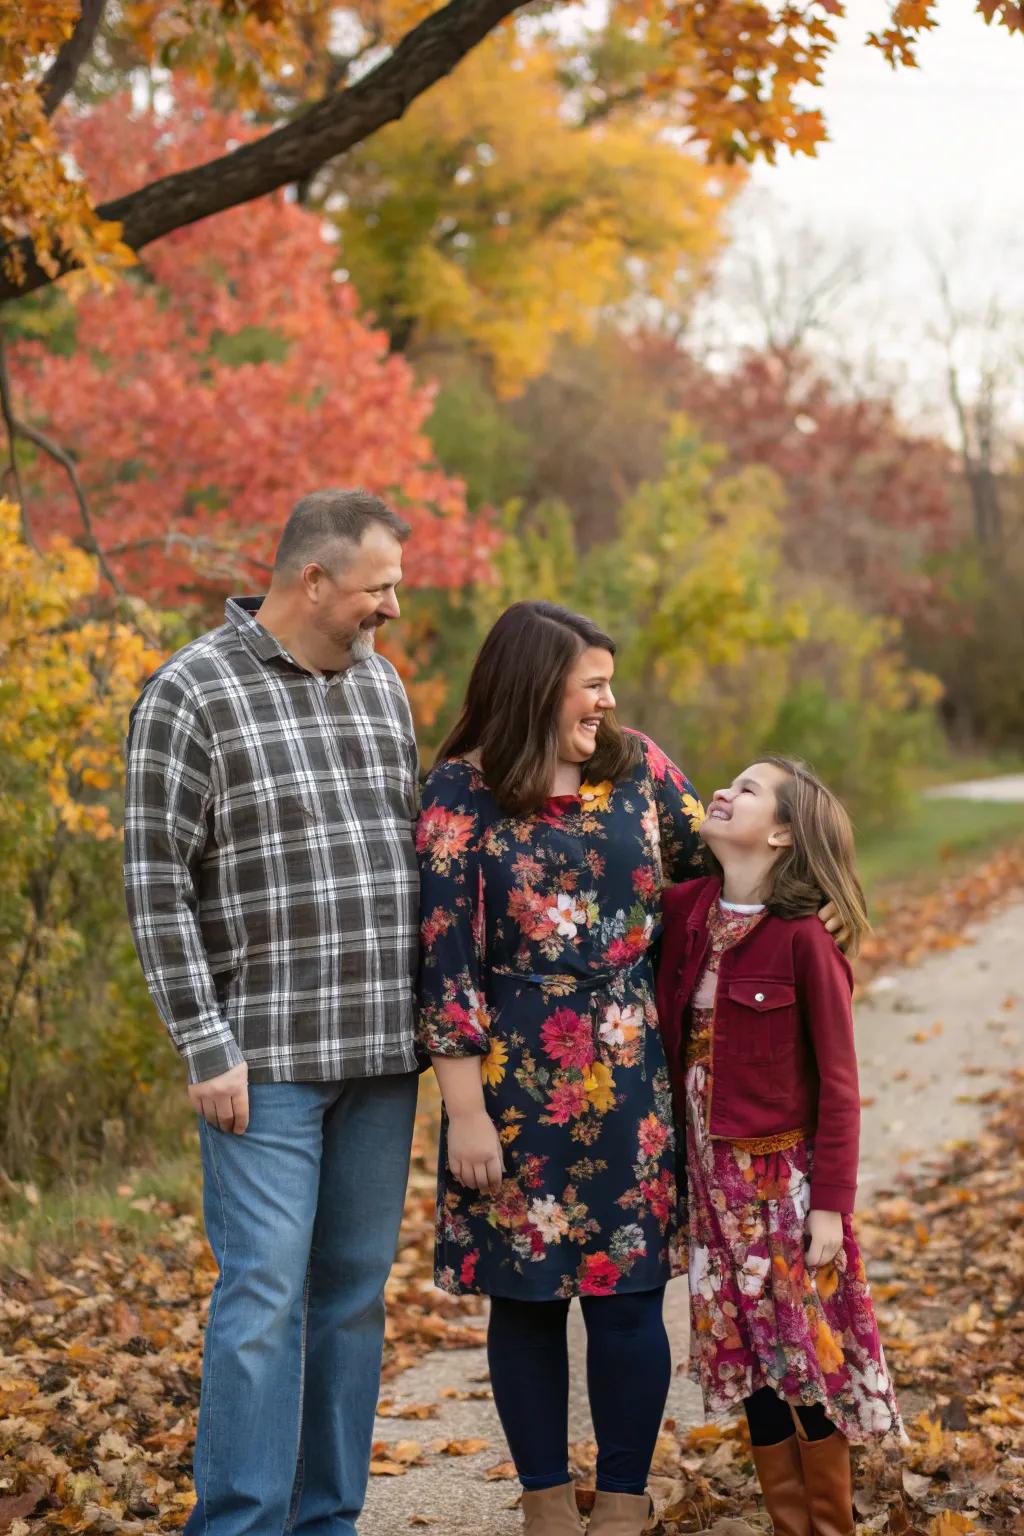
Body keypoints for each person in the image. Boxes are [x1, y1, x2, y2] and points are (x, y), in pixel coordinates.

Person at [123, 488, 421, 1536]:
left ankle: (325, 1522)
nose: (392, 606)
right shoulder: (189, 693)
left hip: (384, 1052)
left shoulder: (383, 688)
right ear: (313, 579)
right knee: (261, 1306)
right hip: (265, 1061)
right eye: (379, 586)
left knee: (350, 1299)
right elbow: (155, 885)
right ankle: (242, 1526)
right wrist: (204, 1044)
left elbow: (407, 850)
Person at [416, 601, 706, 1536]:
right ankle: (545, 1500)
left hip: (631, 1078)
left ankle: (623, 1501)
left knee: (629, 1299)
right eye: (592, 684)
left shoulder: (639, 769)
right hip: (509, 1086)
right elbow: (444, 956)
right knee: (527, 1301)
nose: (608, 700)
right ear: (539, 687)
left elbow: (717, 865)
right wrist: (464, 1111)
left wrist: (806, 907)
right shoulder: (460, 793)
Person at [657, 757, 903, 1536]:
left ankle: (830, 1525)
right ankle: (788, 1523)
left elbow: (838, 1084)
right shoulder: (685, 910)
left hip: (781, 1187)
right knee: (747, 1354)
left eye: (750, 789)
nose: (724, 792)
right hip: (711, 1190)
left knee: (805, 1358)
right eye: (728, 782)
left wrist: (831, 1206)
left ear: (783, 832)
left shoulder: (804, 938)